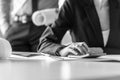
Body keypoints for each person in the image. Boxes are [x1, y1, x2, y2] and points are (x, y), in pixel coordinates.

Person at [38, 0, 120, 57]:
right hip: (83, 70)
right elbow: (44, 43)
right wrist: (63, 50)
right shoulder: (73, 4)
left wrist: (101, 50)